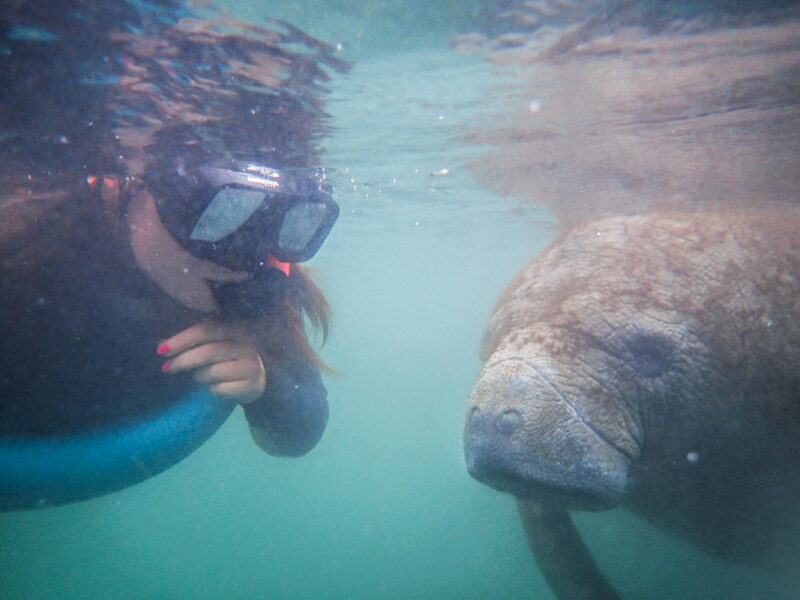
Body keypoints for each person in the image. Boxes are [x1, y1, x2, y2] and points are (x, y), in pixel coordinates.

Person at [0, 0, 345, 509]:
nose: (246, 257)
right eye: (219, 213)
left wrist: (265, 383)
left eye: (279, 222)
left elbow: (301, 428)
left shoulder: (258, 273)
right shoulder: (28, 230)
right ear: (130, 185)